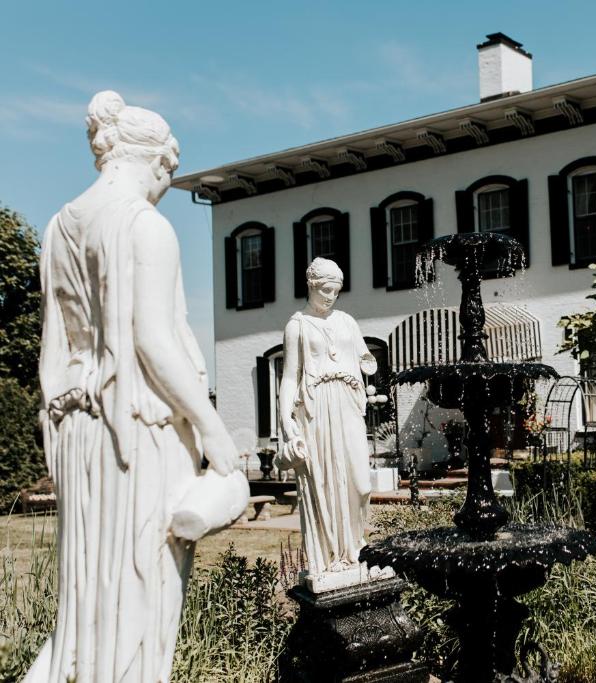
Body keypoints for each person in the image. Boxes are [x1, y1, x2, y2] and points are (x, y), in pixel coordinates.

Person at [25, 91, 245, 683]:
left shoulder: (57, 228)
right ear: (152, 161)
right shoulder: (146, 228)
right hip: (140, 432)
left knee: (86, 599)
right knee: (144, 587)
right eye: (169, 173)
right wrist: (211, 426)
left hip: (78, 429)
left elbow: (56, 347)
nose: (166, 186)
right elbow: (152, 341)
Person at [277, 258, 377, 579]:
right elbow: (289, 377)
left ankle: (355, 546)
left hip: (347, 403)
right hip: (317, 409)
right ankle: (335, 554)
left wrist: (367, 362)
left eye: (336, 291)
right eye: (325, 290)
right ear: (311, 285)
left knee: (360, 483)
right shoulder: (298, 326)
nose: (330, 296)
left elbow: (365, 356)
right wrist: (285, 422)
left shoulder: (347, 321)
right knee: (325, 479)